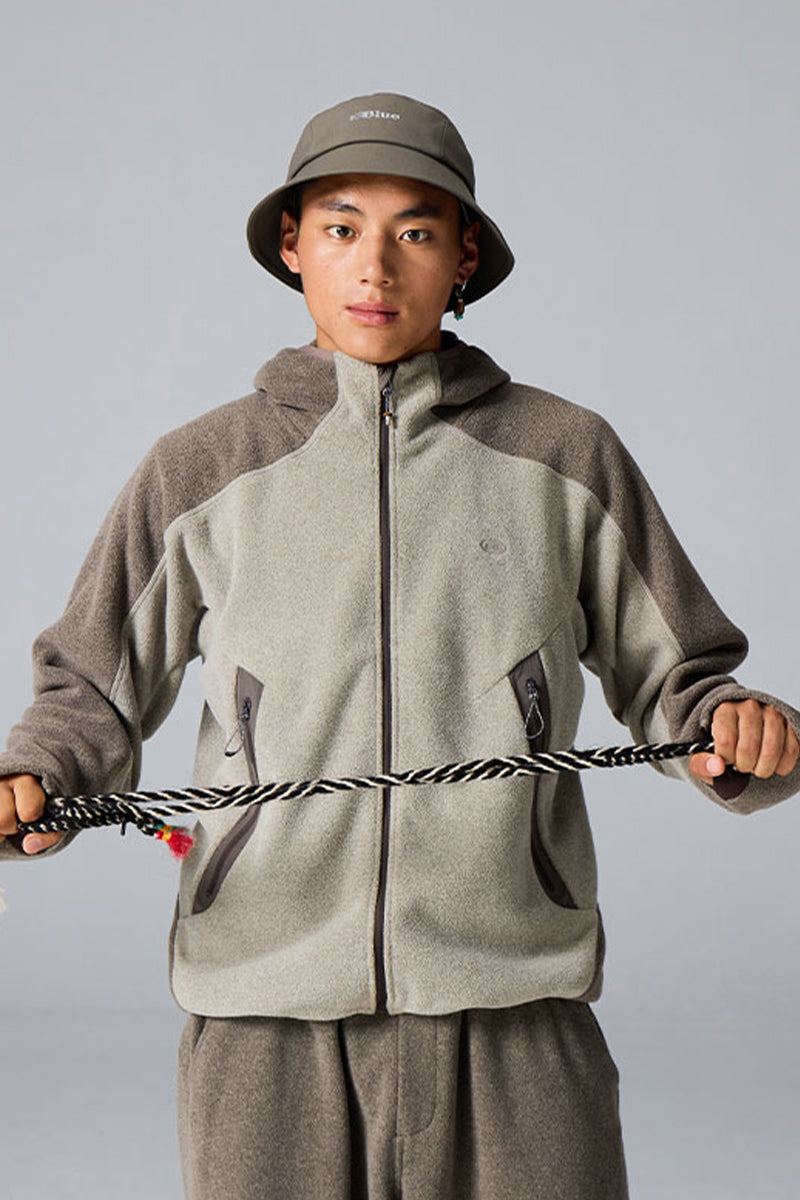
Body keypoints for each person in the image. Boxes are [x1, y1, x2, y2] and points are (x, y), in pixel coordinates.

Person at [1, 92, 798, 1200]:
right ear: (292, 246)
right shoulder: (199, 469)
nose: (374, 265)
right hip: (262, 1007)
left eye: (415, 231)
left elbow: (682, 679)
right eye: (340, 227)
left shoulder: (565, 454)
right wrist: (38, 776)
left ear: (463, 255)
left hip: (514, 995)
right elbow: (89, 688)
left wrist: (735, 733)